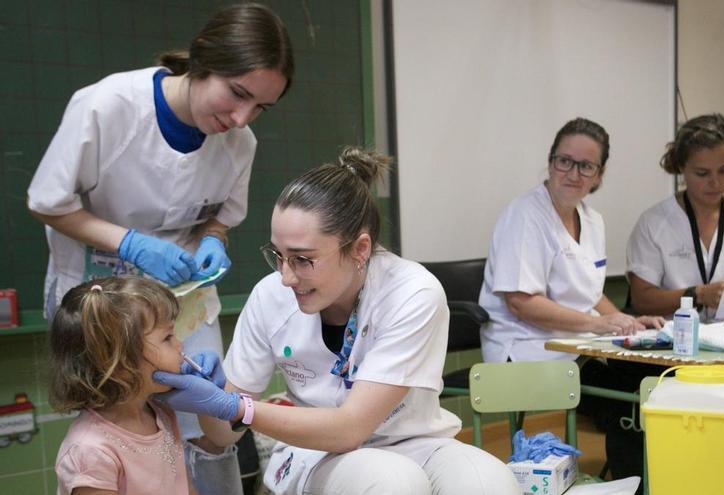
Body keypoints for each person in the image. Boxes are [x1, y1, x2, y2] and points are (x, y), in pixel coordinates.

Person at [26, 4, 294, 493]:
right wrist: (128, 242)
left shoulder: (240, 143)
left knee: (204, 429)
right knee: (120, 423)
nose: (241, 118)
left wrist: (213, 238)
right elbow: (46, 201)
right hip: (101, 300)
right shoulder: (106, 106)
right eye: (237, 94)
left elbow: (220, 216)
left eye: (259, 107)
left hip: (183, 304)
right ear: (201, 61)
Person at [151, 147, 520, 495]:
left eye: (302, 259)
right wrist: (214, 399)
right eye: (277, 255)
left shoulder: (412, 292)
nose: (286, 277)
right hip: (315, 450)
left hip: (415, 441)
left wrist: (239, 408)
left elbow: (352, 426)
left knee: (491, 483)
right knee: (392, 482)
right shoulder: (270, 296)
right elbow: (222, 437)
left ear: (359, 249)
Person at [479, 117, 664, 364]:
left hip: (576, 342)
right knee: (612, 380)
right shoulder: (525, 215)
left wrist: (626, 323)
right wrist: (596, 323)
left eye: (586, 166)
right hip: (526, 346)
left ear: (599, 175)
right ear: (551, 161)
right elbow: (520, 303)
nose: (574, 175)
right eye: (565, 162)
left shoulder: (593, 221)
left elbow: (590, 294)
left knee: (637, 371)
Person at [627, 113, 724, 321]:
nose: (716, 182)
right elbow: (642, 299)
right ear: (682, 168)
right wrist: (698, 295)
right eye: (702, 173)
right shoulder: (653, 223)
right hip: (678, 343)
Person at [51, 276, 197, 494]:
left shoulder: (161, 415)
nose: (179, 344)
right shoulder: (92, 452)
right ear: (120, 363)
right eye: (167, 337)